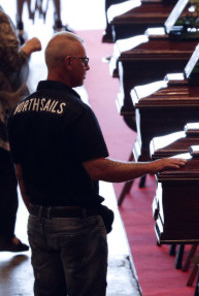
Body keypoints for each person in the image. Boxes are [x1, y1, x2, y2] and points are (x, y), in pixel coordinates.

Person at [7, 31, 187, 296]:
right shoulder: (76, 111)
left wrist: (39, 214)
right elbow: (99, 168)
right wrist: (152, 166)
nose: (88, 66)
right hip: (76, 225)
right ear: (68, 62)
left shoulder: (20, 111)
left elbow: (20, 174)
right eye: (84, 60)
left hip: (38, 223)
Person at [0, 4, 41, 252]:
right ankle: (5, 235)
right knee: (6, 172)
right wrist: (29, 47)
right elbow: (12, 62)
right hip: (3, 105)